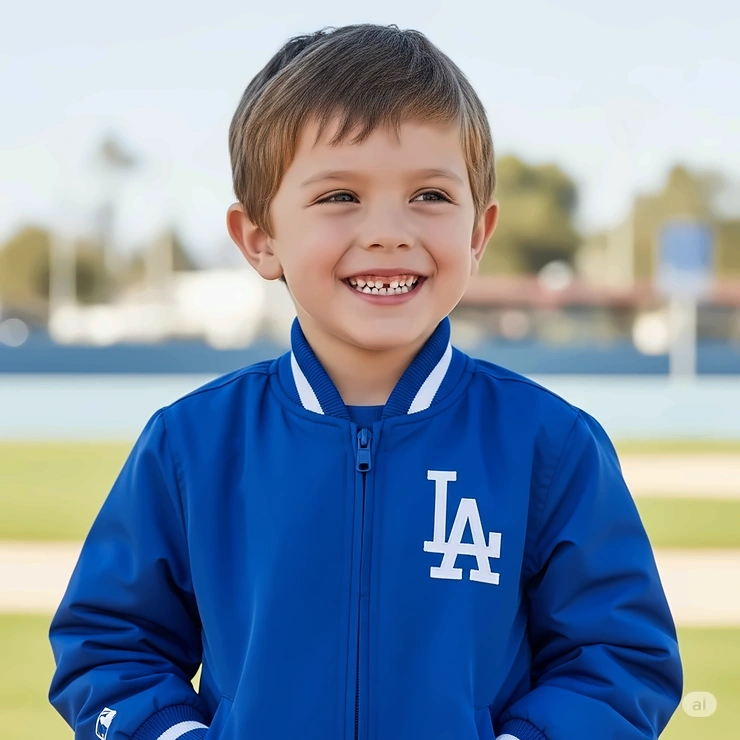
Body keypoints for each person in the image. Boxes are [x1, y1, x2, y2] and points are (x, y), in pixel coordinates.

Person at [48, 23, 683, 740]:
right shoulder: (191, 444)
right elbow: (108, 646)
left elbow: (620, 660)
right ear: (260, 238)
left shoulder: (549, 444)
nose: (388, 230)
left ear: (479, 233)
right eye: (341, 195)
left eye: (432, 197)